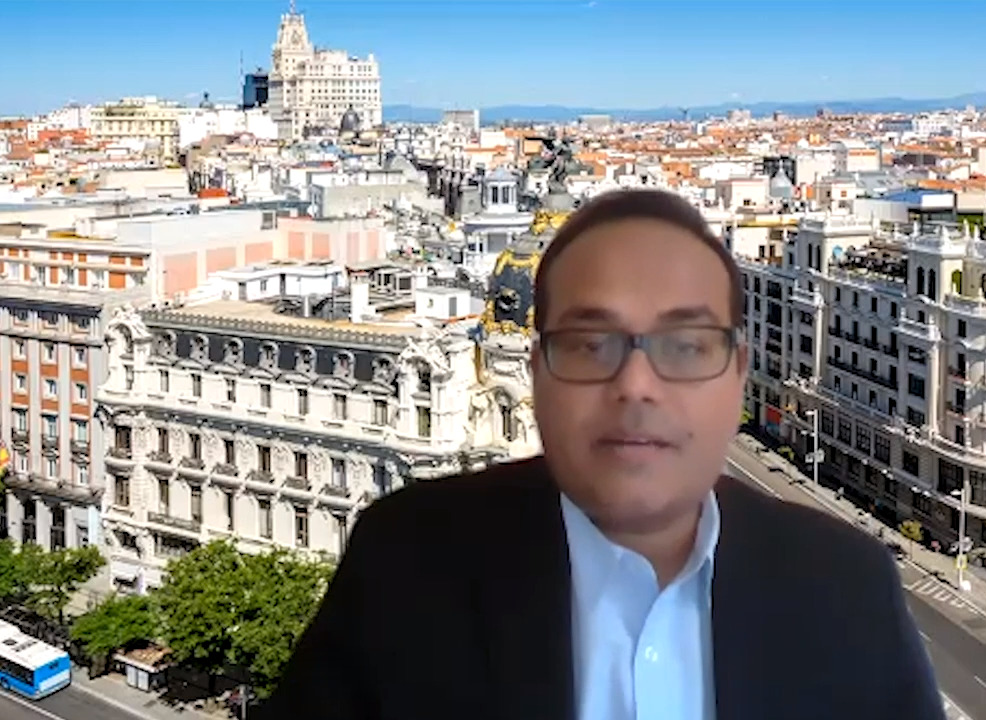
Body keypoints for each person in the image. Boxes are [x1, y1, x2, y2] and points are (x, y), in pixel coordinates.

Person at [261, 189, 946, 720]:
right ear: (536, 375)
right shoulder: (404, 562)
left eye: (686, 346)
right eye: (591, 345)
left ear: (738, 376)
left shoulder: (848, 586)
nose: (636, 386)